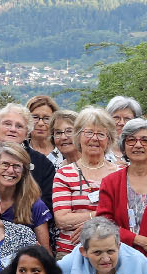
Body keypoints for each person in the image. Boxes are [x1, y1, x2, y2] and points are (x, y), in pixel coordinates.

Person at [96, 119, 147, 267]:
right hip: (114, 259)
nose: (138, 145)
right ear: (124, 147)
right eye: (131, 140)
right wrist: (139, 240)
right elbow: (103, 224)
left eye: (145, 140)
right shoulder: (110, 182)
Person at [51, 108, 125, 256]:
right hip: (70, 253)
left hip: (110, 254)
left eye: (101, 134)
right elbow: (62, 219)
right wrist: (101, 216)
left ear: (109, 140)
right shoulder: (64, 174)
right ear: (78, 137)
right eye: (89, 133)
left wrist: (89, 222)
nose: (94, 138)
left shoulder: (120, 174)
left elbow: (125, 217)